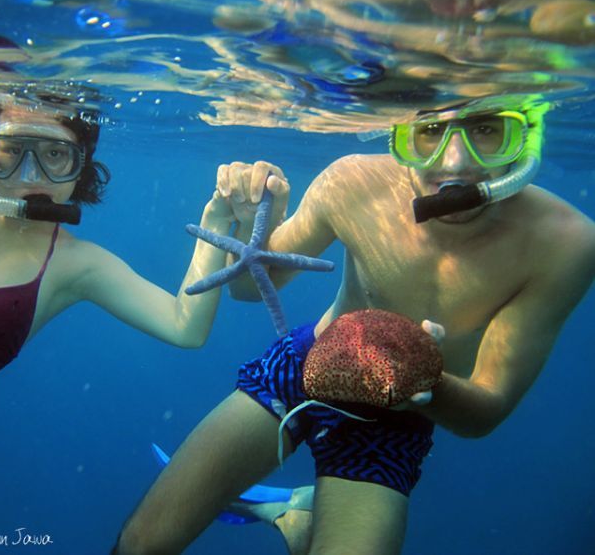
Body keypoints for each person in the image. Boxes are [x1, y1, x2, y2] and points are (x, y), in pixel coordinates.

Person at [113, 96, 595, 555]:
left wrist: (423, 383)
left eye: (489, 130)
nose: (454, 163)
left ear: (529, 135)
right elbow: (246, 286)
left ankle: (297, 516)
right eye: (427, 131)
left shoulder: (565, 243)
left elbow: (486, 411)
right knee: (142, 544)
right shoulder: (352, 182)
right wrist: (246, 221)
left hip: (398, 415)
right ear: (398, 133)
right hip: (301, 366)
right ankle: (295, 514)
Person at [0, 85, 237, 496]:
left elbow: (184, 327)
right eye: (12, 150)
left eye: (54, 155)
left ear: (80, 164)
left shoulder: (77, 264)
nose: (31, 177)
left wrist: (216, 220)